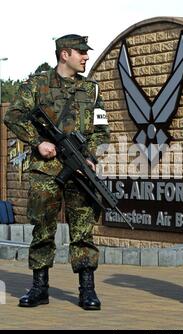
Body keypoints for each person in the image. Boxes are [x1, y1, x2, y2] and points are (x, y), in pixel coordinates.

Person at [4, 34, 110, 310]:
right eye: (81, 52)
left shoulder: (92, 90)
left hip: (81, 171)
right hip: (46, 171)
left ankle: (87, 289)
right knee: (43, 228)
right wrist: (38, 142)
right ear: (65, 54)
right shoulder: (37, 85)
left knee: (83, 230)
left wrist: (93, 157)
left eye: (85, 53)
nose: (86, 57)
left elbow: (102, 132)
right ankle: (40, 287)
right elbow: (13, 116)